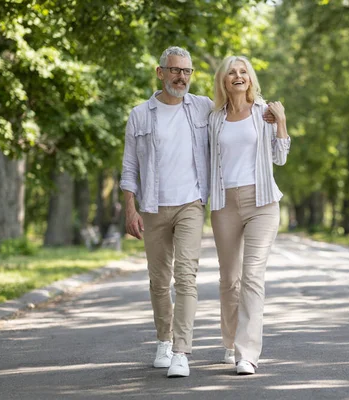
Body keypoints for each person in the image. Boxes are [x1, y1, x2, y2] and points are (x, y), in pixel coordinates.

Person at [119, 46, 212, 378]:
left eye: (187, 71)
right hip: (154, 206)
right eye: (175, 70)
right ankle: (163, 340)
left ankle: (181, 350)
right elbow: (130, 168)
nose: (181, 77)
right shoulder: (140, 114)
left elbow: (237, 110)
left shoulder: (202, 108)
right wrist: (130, 210)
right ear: (160, 73)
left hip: (191, 203)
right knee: (159, 280)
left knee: (186, 276)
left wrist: (268, 111)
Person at [208, 55, 291, 375]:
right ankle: (230, 343)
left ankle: (248, 353)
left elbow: (280, 159)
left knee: (252, 276)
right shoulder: (214, 118)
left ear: (251, 79)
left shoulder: (265, 113)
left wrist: (282, 121)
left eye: (243, 72)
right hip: (225, 204)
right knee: (230, 280)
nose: (238, 76)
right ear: (223, 82)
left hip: (263, 202)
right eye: (232, 73)